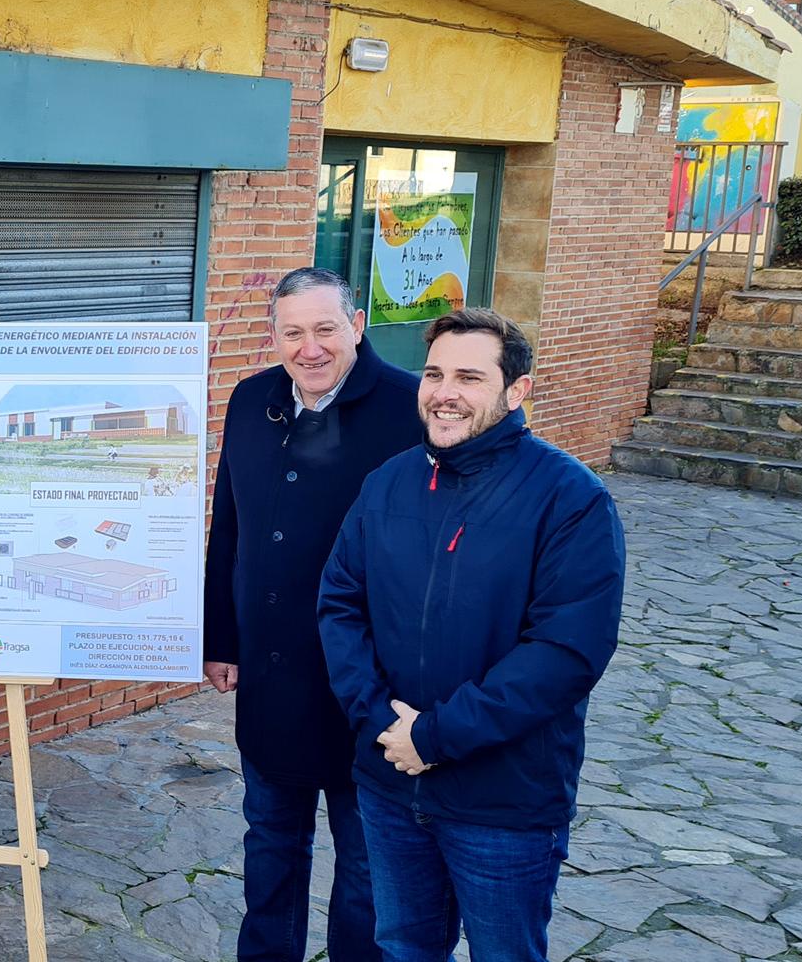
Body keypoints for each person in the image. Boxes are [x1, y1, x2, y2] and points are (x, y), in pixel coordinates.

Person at [318, 308, 625, 962]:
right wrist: (380, 724)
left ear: (517, 391)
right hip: (391, 783)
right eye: (433, 374)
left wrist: (435, 736)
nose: (444, 392)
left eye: (469, 377)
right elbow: (340, 604)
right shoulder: (389, 482)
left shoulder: (570, 499)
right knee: (403, 949)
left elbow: (565, 654)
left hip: (503, 803)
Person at [203, 266, 422, 961]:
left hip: (372, 685)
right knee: (271, 845)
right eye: (293, 332)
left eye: (325, 328)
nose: (310, 348)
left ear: (356, 326)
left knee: (365, 870)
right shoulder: (250, 400)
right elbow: (229, 527)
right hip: (270, 674)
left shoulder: (410, 408)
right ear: (275, 337)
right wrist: (221, 637)